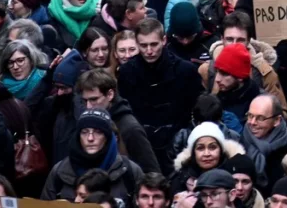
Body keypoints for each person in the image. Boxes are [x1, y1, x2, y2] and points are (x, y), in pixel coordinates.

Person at [117, 18, 202, 174]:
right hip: (141, 147)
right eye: (143, 45)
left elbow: (196, 109)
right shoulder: (125, 73)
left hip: (178, 147)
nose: (149, 51)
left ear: (164, 40)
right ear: (137, 44)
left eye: (153, 44)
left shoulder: (186, 71)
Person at [40, 108, 144, 201]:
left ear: (107, 136)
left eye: (98, 132)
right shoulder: (60, 172)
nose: (90, 138)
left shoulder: (129, 171)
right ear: (77, 136)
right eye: (84, 132)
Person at [243, 93, 287, 194]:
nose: (252, 122)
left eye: (260, 118)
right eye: (250, 116)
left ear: (276, 121)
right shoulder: (239, 145)